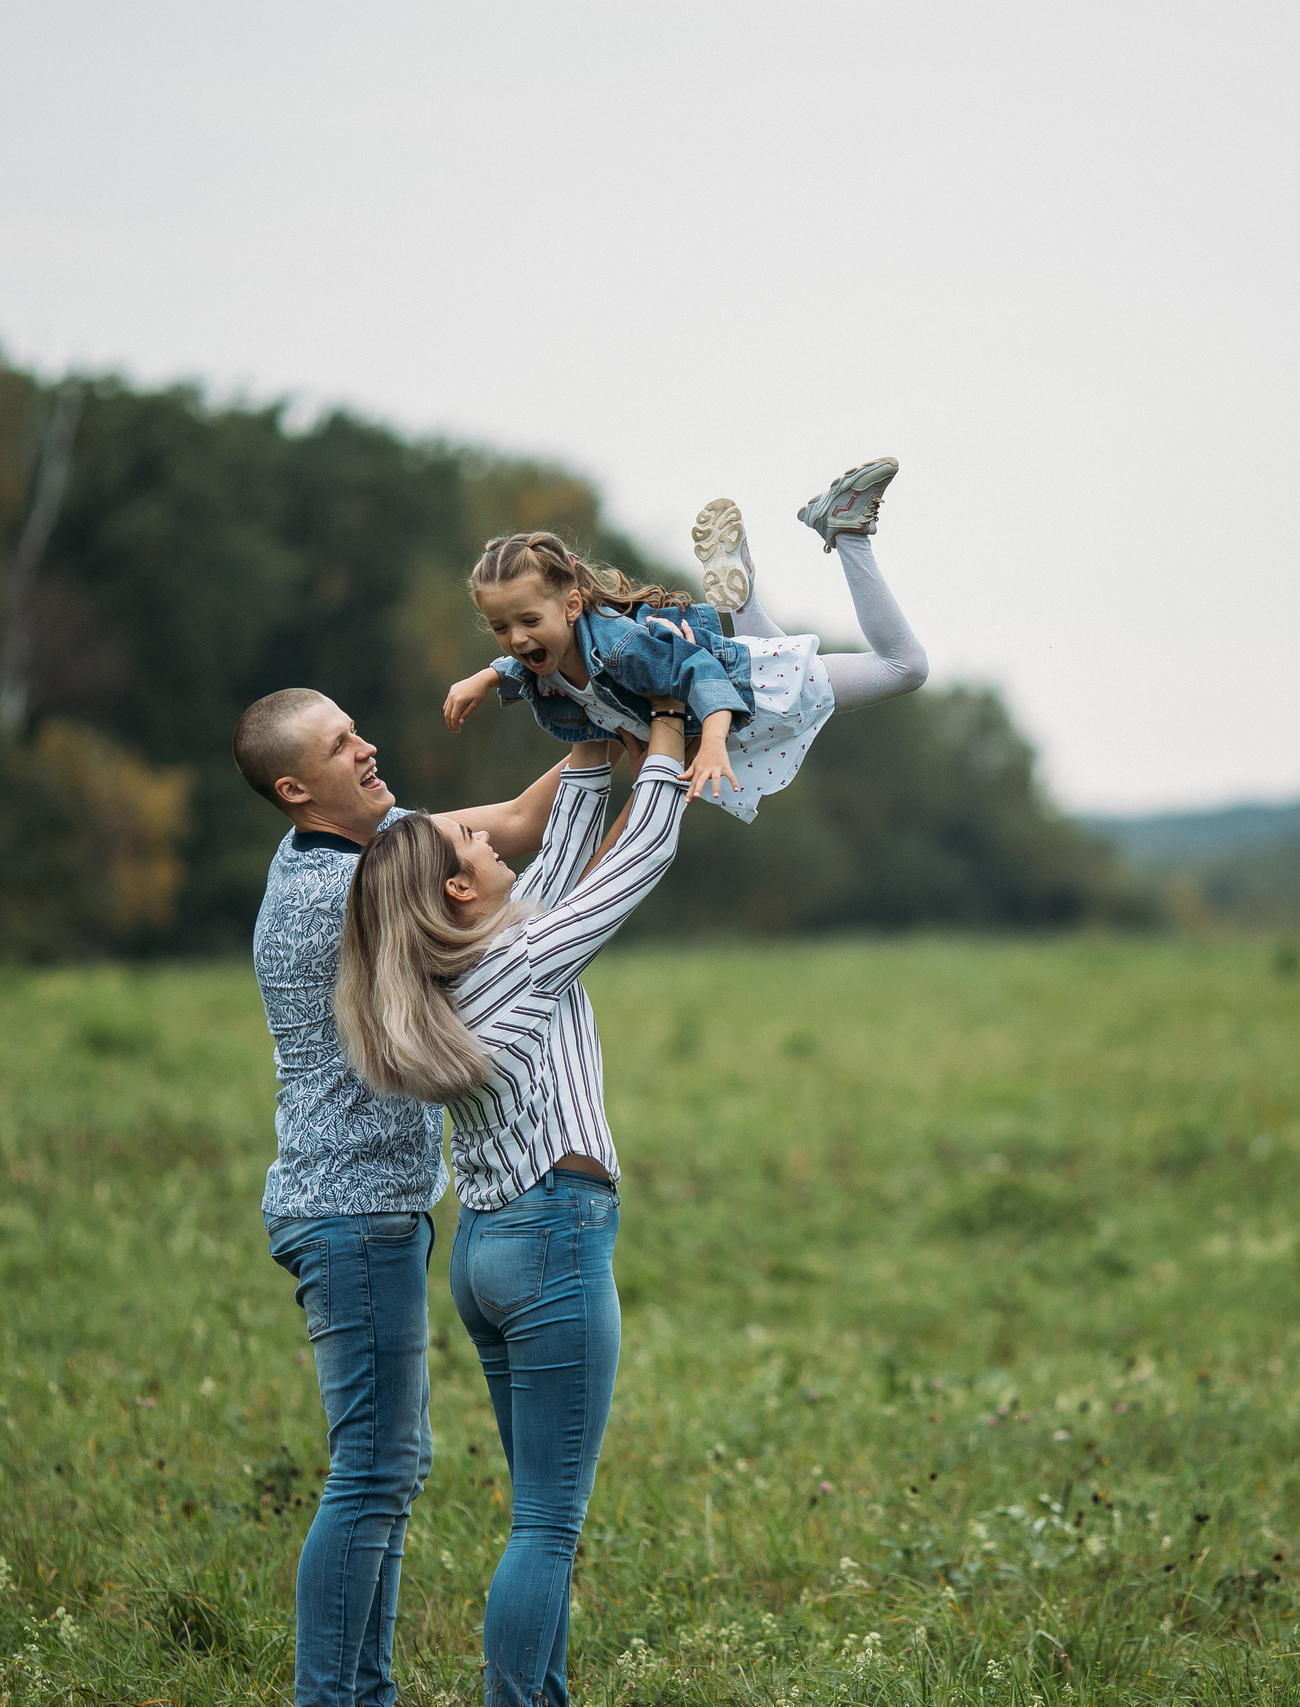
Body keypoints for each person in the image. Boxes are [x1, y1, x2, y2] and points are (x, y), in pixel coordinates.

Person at [333, 701, 696, 1707]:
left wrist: (590, 729)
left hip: (490, 1253)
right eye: (469, 838)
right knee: (544, 1525)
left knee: (539, 1516)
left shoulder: (461, 970)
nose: (487, 832)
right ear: (458, 884)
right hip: (551, 1245)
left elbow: (572, 842)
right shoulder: (524, 964)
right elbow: (639, 855)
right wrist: (666, 729)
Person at [232, 687, 569, 1707]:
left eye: (357, 730)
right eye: (342, 747)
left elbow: (510, 822)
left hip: (366, 1211)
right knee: (373, 1474)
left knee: (385, 1469)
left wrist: (614, 723)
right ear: (297, 788)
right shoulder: (331, 893)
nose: (367, 747)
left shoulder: (370, 850)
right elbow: (497, 894)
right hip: (352, 1215)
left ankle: (355, 1693)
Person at [439, 458, 928, 823]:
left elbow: (702, 673)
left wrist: (713, 743)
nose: (517, 639)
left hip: (749, 696)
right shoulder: (557, 663)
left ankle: (846, 533)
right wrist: (485, 678)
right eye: (501, 628)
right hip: (747, 688)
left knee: (905, 668)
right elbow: (527, 666)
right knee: (770, 653)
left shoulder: (619, 649)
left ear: (570, 607)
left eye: (527, 621)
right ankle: (742, 590)